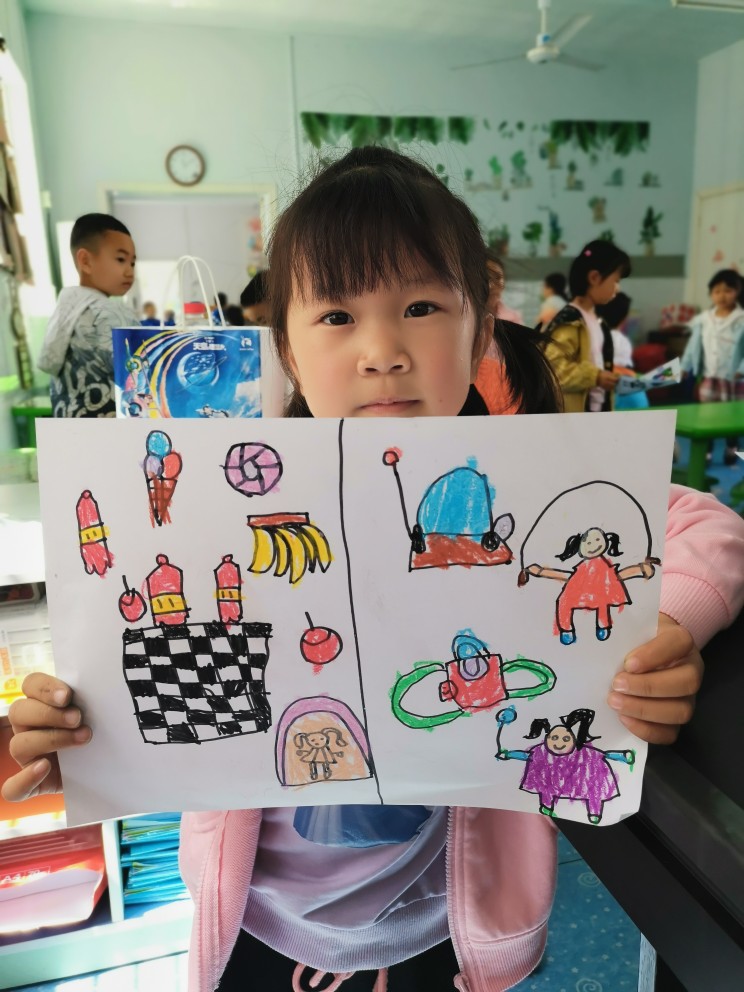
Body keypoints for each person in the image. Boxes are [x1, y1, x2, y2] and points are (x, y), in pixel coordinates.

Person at [5, 147, 744, 992]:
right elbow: (160, 675)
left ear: (479, 328)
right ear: (285, 347)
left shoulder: (523, 476)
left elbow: (709, 522)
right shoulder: (228, 496)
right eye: (336, 315)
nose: (382, 351)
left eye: (421, 306)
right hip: (255, 916)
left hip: (447, 925)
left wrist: (667, 624)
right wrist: (87, 732)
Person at [37, 213, 138, 417]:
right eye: (120, 259)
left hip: (68, 427)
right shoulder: (111, 313)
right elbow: (141, 375)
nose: (129, 271)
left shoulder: (65, 309)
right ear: (85, 261)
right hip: (109, 431)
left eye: (132, 263)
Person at [541, 240, 629, 413]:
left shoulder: (598, 322)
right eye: (615, 281)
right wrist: (595, 376)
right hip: (573, 418)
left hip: (596, 414)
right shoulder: (570, 321)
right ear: (594, 278)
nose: (617, 289)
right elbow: (554, 370)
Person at [681, 268, 744, 465]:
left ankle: (731, 447)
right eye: (717, 291)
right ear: (711, 294)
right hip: (710, 378)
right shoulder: (704, 319)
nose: (722, 296)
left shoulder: (741, 319)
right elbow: (693, 346)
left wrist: (741, 370)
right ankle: (706, 452)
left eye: (728, 290)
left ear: (737, 292)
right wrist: (685, 366)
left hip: (733, 380)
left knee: (731, 416)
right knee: (707, 415)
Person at [596, 291, 648, 411]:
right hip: (631, 395)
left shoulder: (595, 336)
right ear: (624, 318)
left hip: (611, 393)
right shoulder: (621, 340)